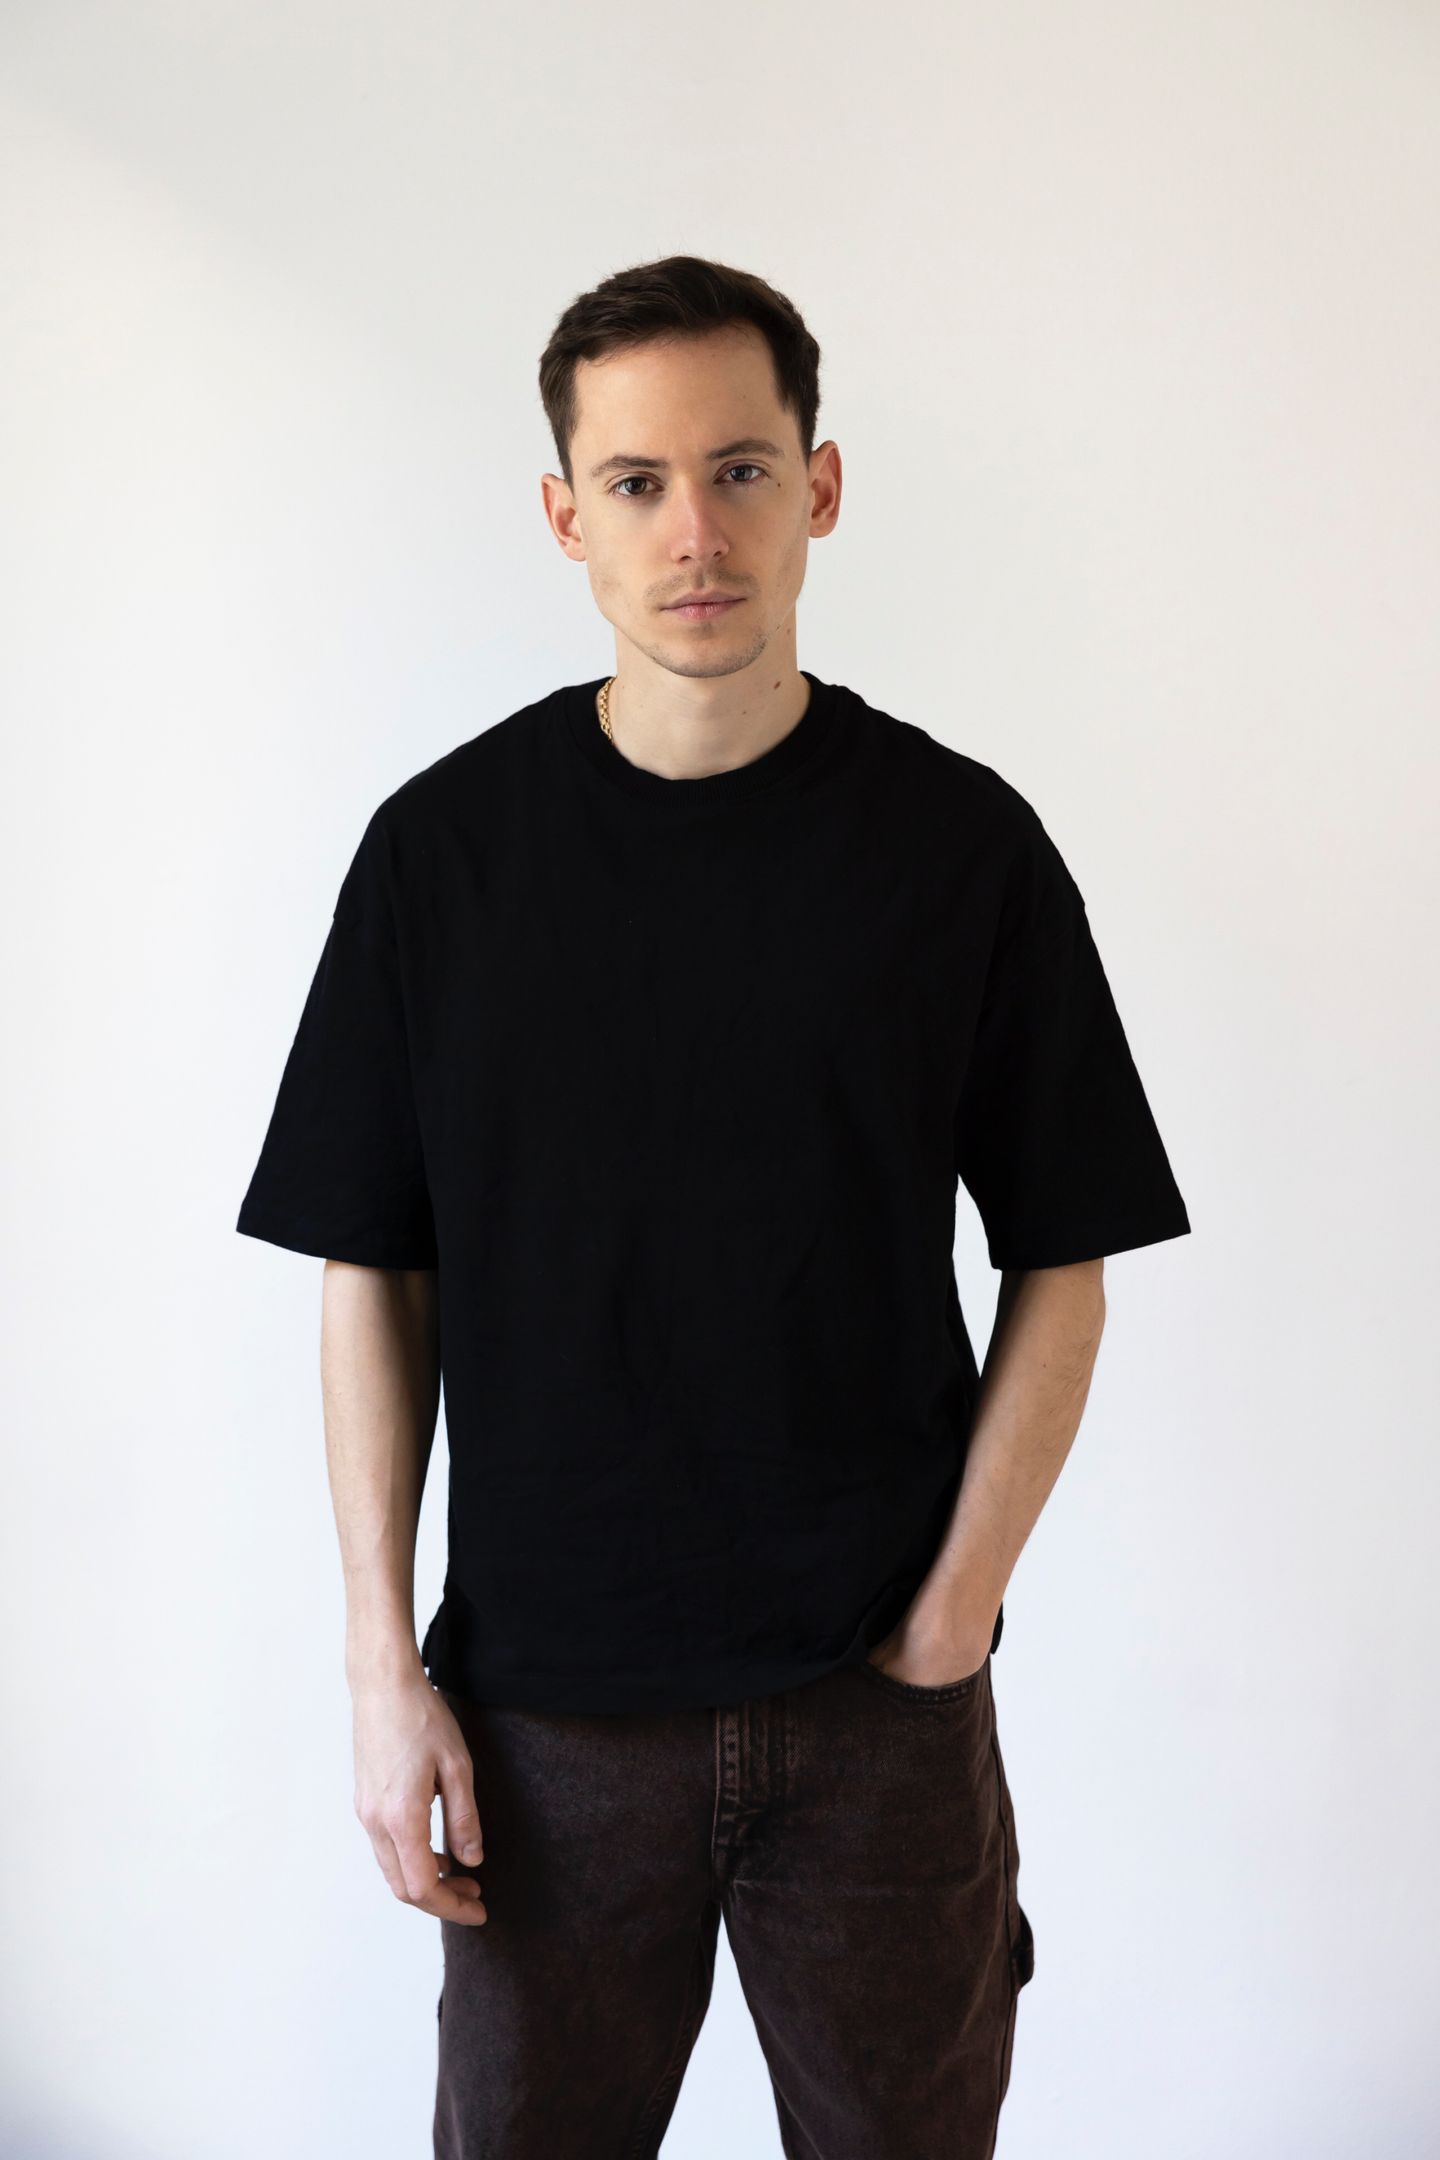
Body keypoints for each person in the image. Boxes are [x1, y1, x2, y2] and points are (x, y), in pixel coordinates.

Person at [236, 253, 1191, 2159]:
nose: (696, 530)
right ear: (564, 515)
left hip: (875, 1711)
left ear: (819, 487)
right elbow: (373, 1272)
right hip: (545, 1726)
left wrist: (950, 1622)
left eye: (742, 470)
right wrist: (379, 1666)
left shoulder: (961, 849)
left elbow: (1065, 1255)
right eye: (639, 481)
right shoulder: (444, 859)